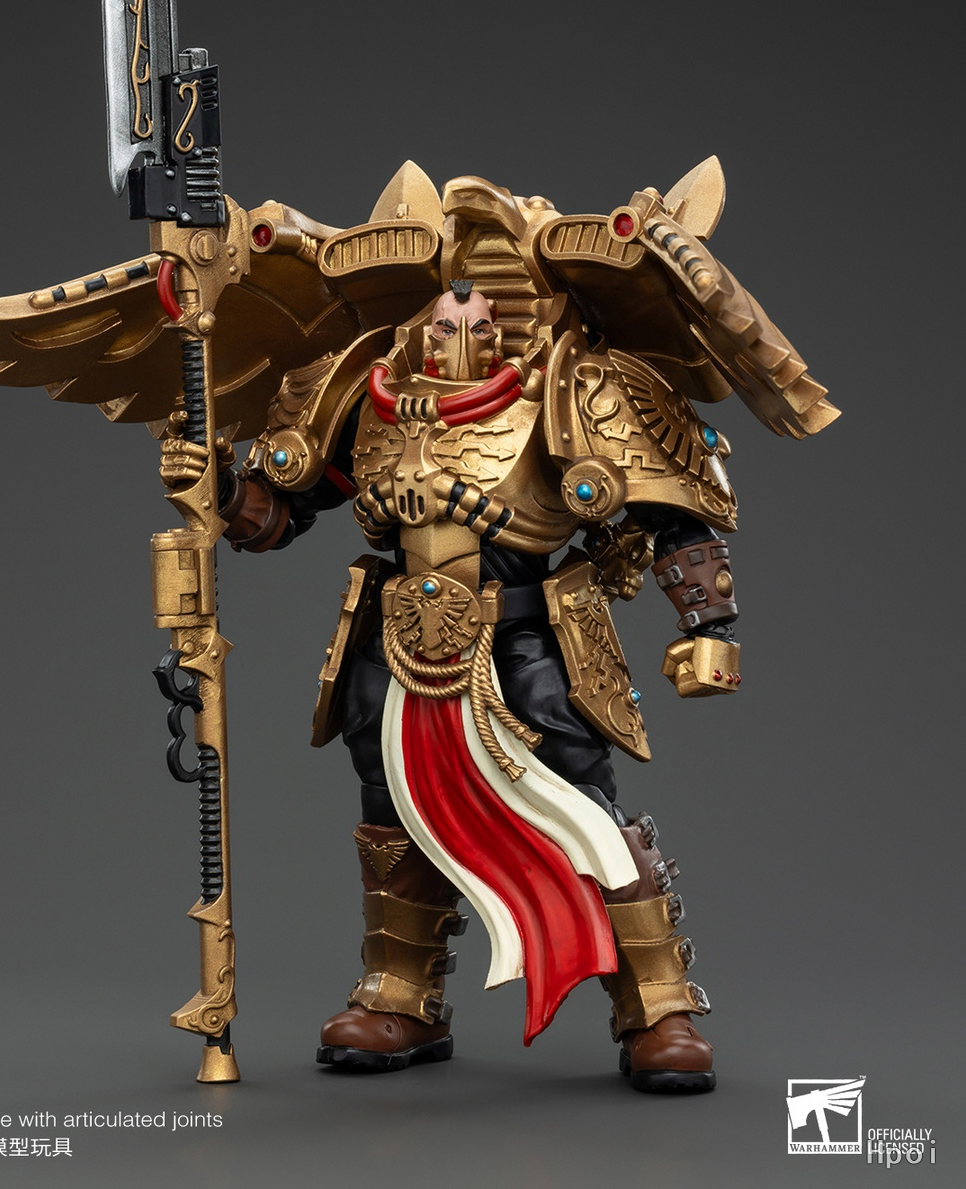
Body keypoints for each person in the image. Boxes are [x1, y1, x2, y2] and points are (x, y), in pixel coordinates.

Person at [156, 162, 836, 1090]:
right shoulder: (367, 389)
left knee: (583, 808)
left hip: (526, 639)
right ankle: (402, 992)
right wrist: (221, 487)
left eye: (485, 313)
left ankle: (657, 1003)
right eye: (447, 314)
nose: (464, 327)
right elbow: (283, 510)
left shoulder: (575, 387)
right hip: (393, 646)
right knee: (391, 810)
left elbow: (672, 512)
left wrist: (707, 624)